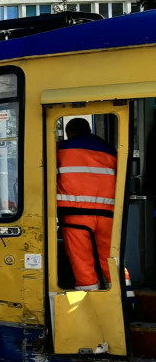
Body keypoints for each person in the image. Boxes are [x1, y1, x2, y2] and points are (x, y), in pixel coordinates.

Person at [58, 117, 117, 290]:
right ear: (89, 131)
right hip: (108, 215)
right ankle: (123, 294)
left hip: (75, 215)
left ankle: (89, 295)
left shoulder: (61, 149)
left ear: (69, 133)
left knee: (81, 260)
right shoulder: (111, 151)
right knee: (111, 259)